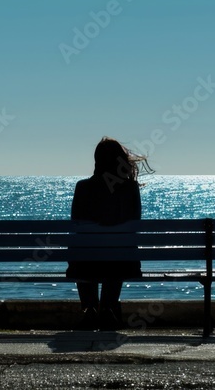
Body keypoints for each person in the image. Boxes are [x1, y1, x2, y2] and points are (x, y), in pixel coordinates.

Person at [66, 137, 152, 330]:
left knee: (82, 251)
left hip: (85, 265)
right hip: (122, 264)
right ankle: (107, 309)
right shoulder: (130, 188)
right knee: (118, 252)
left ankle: (89, 309)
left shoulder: (83, 187)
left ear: (97, 161)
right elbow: (134, 224)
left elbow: (76, 224)